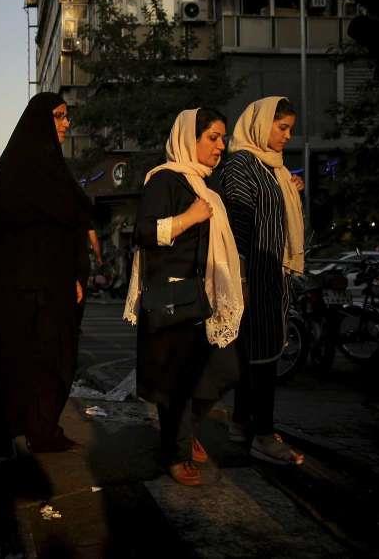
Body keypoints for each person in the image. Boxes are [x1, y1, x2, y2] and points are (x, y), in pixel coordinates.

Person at [0, 92, 91, 459]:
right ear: (40, 120)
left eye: (67, 116)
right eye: (60, 116)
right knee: (13, 361)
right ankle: (8, 426)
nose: (66, 124)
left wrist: (75, 274)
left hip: (50, 287)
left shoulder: (54, 168)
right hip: (13, 289)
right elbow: (20, 228)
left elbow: (67, 228)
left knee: (55, 360)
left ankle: (41, 428)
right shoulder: (19, 164)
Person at [123, 108, 244, 486]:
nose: (220, 146)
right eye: (212, 137)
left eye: (222, 138)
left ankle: (186, 432)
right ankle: (172, 454)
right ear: (188, 139)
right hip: (172, 296)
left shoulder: (205, 184)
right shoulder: (165, 181)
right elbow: (142, 233)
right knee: (173, 384)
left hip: (202, 295)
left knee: (225, 370)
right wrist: (189, 217)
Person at [220, 96, 306, 466]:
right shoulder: (242, 165)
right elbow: (238, 226)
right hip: (252, 275)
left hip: (269, 274)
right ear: (260, 124)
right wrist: (242, 279)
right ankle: (263, 434)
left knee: (256, 354)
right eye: (281, 127)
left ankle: (242, 423)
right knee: (260, 357)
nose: (287, 136)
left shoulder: (272, 168)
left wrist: (288, 187)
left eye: (290, 129)